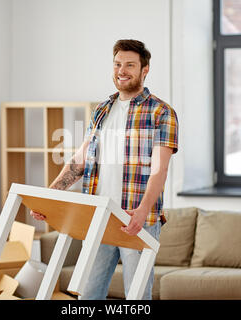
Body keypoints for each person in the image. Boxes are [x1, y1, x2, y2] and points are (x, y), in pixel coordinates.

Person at [30, 39, 179, 300]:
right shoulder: (101, 110)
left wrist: (142, 212)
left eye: (130, 65)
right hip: (97, 217)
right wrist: (49, 197)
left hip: (135, 218)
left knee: (137, 297)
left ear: (144, 70)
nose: (122, 70)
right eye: (118, 64)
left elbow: (159, 170)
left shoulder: (161, 112)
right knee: (88, 294)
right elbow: (80, 161)